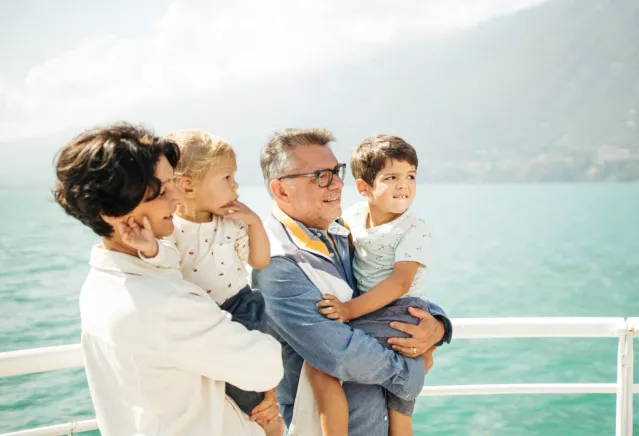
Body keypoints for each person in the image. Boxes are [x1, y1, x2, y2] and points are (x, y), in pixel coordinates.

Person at [53, 122, 283, 436]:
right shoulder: (167, 305)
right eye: (162, 191)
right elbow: (266, 367)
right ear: (115, 213)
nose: (177, 197)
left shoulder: (99, 286)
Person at [252, 128, 452, 436]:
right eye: (320, 176)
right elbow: (339, 352)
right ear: (282, 191)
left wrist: (437, 326)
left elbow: (385, 285)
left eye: (336, 171)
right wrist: (411, 370)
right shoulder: (278, 263)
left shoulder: (341, 231)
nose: (336, 184)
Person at [130, 129, 282, 435]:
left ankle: (271, 421)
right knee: (227, 388)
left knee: (254, 389)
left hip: (241, 306)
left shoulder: (232, 223)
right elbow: (164, 265)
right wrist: (148, 247)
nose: (235, 185)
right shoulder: (171, 229)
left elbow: (259, 261)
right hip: (202, 319)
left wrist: (254, 223)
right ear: (188, 186)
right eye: (226, 177)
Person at [314, 134, 433, 436]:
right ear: (364, 188)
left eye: (410, 176)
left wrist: (348, 310)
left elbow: (400, 283)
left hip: (400, 311)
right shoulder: (353, 216)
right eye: (391, 177)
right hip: (373, 310)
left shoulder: (413, 229)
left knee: (323, 365)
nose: (404, 185)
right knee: (396, 404)